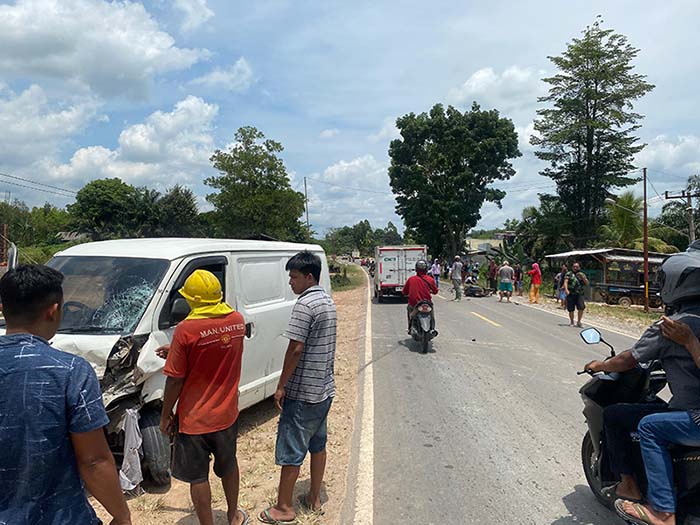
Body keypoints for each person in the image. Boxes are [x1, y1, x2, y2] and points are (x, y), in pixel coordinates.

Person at [0, 265, 131, 525]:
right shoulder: (71, 371)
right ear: (53, 310)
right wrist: (121, 515)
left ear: (3, 308)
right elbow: (93, 461)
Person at [584, 244, 700, 514]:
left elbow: (629, 360)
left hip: (694, 415)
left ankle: (649, 502)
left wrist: (599, 364)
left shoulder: (673, 325)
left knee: (631, 421)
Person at [160, 269, 248, 525]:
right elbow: (218, 350)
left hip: (194, 420)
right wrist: (177, 350)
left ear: (193, 300)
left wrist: (166, 415)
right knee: (229, 466)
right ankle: (234, 516)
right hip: (227, 415)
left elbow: (175, 379)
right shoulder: (237, 320)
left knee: (198, 477)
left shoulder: (186, 330)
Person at [260, 251, 337, 524]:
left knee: (291, 449)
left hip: (303, 391)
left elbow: (296, 348)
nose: (290, 282)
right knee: (318, 445)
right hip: (323, 389)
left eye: (294, 277)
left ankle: (284, 507)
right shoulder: (326, 300)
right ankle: (314, 498)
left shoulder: (304, 305)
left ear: (309, 277)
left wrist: (281, 386)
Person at [615, 317, 700, 525]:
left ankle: (663, 513)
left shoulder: (680, 324)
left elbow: (629, 359)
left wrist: (690, 341)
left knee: (649, 427)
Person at [403, 260, 438, 332]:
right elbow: (435, 291)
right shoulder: (430, 279)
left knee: (410, 311)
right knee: (431, 314)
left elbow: (404, 292)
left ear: (416, 269)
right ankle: (432, 328)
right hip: (427, 303)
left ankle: (410, 327)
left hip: (414, 304)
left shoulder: (411, 279)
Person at [564, 262, 589, 327]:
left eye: (577, 267)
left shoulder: (581, 274)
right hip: (571, 293)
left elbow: (587, 283)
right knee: (571, 309)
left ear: (579, 267)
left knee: (581, 307)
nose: (575, 268)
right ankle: (572, 321)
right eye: (574, 266)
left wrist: (583, 278)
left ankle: (579, 321)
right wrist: (566, 290)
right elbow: (566, 282)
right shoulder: (569, 274)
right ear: (572, 267)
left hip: (579, 293)